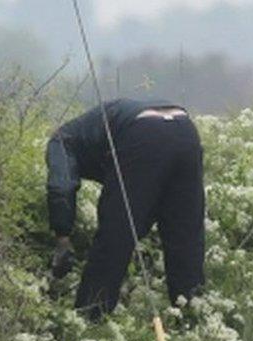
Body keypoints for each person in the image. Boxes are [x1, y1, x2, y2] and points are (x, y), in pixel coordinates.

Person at [48, 98, 205, 320]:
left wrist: (62, 237)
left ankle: (88, 319)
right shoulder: (93, 129)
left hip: (143, 132)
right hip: (185, 130)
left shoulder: (60, 142)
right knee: (186, 236)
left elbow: (61, 186)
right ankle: (192, 316)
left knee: (114, 236)